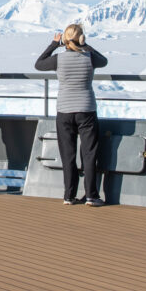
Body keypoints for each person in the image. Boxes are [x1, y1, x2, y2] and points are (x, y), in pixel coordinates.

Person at [34, 24, 109, 206]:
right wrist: (85, 46)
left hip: (65, 111)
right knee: (89, 154)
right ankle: (91, 195)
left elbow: (38, 64)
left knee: (68, 154)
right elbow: (104, 60)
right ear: (81, 38)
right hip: (86, 110)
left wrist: (54, 44)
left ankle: (69, 195)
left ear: (65, 40)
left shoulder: (58, 59)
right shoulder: (90, 58)